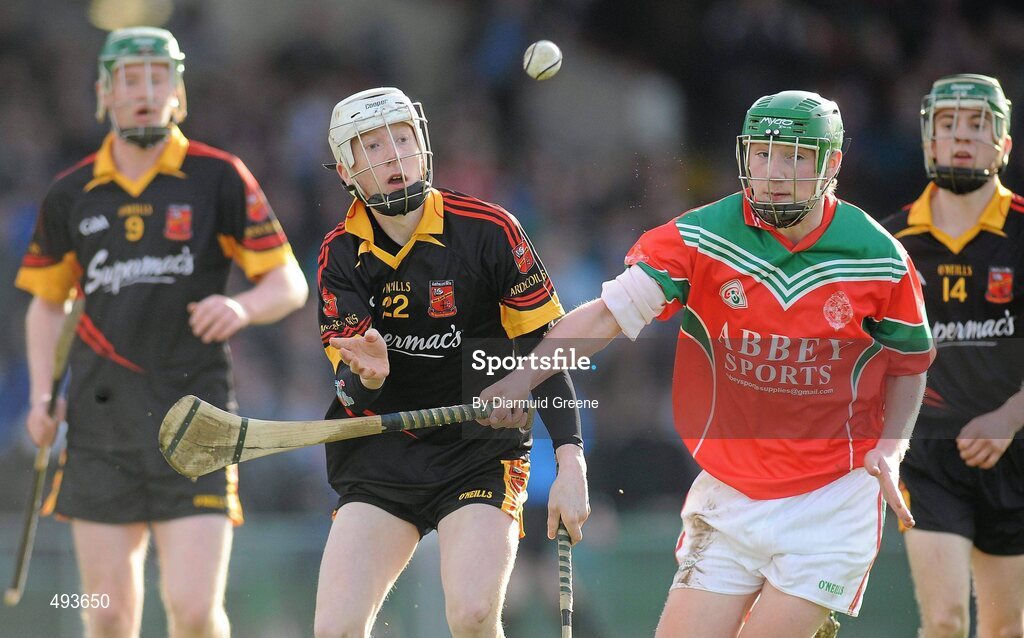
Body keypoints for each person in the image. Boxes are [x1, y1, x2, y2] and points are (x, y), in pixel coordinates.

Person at [481, 90, 936, 637]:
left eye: (795, 156)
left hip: (831, 497)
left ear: (831, 164)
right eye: (763, 154)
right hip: (730, 490)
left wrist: (893, 446)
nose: (775, 172)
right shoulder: (703, 237)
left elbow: (910, 363)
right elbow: (606, 316)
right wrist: (521, 377)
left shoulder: (878, 257)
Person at [15, 27, 308, 638]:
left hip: (194, 423)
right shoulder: (71, 194)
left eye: (157, 78)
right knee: (108, 617)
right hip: (100, 429)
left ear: (177, 91)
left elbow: (288, 282)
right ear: (104, 93)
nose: (145, 91)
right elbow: (46, 306)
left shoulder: (219, 177)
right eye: (130, 79)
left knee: (195, 610)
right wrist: (43, 395)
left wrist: (243, 308)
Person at [313, 87, 589, 638]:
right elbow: (349, 397)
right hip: (382, 449)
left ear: (423, 146)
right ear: (347, 171)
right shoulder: (340, 255)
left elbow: (548, 347)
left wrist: (571, 459)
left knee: (473, 614)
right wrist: (366, 378)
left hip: (479, 449)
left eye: (402, 138)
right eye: (371, 146)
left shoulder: (490, 230)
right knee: (335, 630)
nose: (392, 155)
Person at [883, 73, 1024, 638]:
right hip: (930, 457)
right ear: (927, 139)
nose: (960, 136)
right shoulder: (891, 241)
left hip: (1014, 455)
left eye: (976, 124)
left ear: (1003, 143)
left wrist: (1009, 418)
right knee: (943, 621)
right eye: (946, 124)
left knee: (1005, 628)